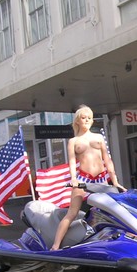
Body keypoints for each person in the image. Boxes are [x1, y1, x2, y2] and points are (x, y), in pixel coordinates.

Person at [51, 105, 125, 250]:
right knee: (72, 213)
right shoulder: (73, 141)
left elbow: (107, 160)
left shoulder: (99, 137)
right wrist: (74, 179)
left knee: (112, 210)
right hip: (83, 179)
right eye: (83, 118)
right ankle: (55, 245)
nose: (86, 120)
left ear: (92, 121)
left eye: (89, 118)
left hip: (101, 179)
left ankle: (112, 241)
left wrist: (115, 181)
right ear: (77, 120)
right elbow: (72, 162)